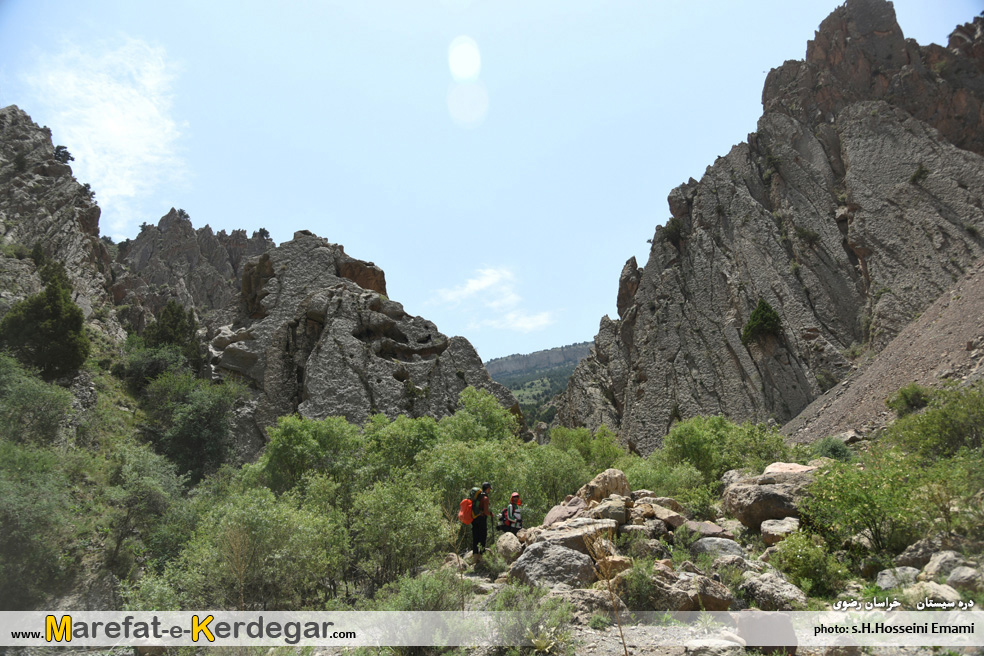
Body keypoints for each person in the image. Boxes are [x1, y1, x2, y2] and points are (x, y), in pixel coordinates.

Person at [472, 482, 492, 557]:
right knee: (482, 536)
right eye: (489, 489)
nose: (489, 490)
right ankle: (482, 554)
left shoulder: (478, 497)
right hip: (481, 519)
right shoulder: (485, 498)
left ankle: (475, 554)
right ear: (487, 489)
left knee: (475, 536)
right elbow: (486, 512)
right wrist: (490, 514)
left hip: (474, 518)